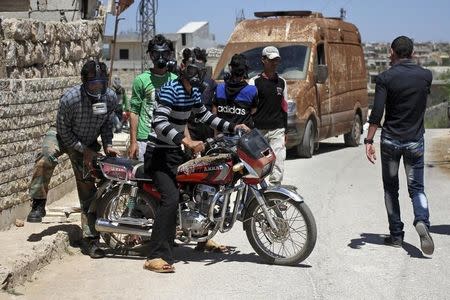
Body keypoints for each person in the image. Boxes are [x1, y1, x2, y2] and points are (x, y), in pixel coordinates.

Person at [142, 51, 249, 273]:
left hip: (175, 152)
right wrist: (186, 142)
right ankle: (156, 255)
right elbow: (159, 123)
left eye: (199, 70)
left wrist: (233, 127)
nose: (196, 74)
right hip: (159, 154)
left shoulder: (193, 94)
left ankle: (202, 236)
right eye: (192, 70)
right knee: (170, 199)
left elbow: (205, 116)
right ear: (183, 70)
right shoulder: (171, 90)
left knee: (201, 187)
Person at [27, 60, 120, 258]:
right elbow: (64, 130)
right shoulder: (70, 99)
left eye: (100, 84)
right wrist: (83, 151)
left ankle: (91, 239)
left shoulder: (110, 98)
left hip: (88, 142)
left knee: (87, 189)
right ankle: (38, 202)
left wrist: (108, 145)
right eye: (92, 85)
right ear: (84, 82)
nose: (97, 89)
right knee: (45, 158)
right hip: (62, 136)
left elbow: (106, 126)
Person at [365, 36, 434, 255]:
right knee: (417, 188)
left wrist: (368, 140)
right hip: (415, 141)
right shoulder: (426, 76)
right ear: (412, 53)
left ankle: (396, 235)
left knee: (390, 189)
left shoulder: (385, 78)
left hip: (390, 142)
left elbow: (377, 113)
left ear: (393, 52)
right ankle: (422, 219)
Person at [128, 34, 178, 161]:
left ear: (170, 55)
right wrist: (134, 142)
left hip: (169, 139)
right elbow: (134, 112)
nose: (161, 58)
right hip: (145, 139)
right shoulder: (141, 80)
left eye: (165, 54)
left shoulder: (176, 81)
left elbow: (180, 112)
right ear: (151, 55)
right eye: (156, 54)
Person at [249, 46, 288, 186]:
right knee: (259, 163)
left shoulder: (282, 82)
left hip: (277, 129)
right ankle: (258, 194)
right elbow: (250, 108)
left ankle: (275, 191)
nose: (274, 63)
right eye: (271, 60)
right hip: (259, 131)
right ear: (263, 60)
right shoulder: (254, 82)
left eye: (276, 60)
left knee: (278, 161)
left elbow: (284, 107)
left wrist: (286, 130)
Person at [212, 53, 258, 143]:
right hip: (243, 139)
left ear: (230, 68)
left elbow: (214, 113)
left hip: (222, 137)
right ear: (245, 70)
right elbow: (253, 114)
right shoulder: (251, 90)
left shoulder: (220, 88)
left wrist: (216, 134)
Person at [186, 47, 217, 142]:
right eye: (194, 70)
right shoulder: (182, 84)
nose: (197, 74)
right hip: (189, 131)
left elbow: (214, 110)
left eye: (201, 70)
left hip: (206, 130)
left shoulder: (211, 83)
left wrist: (215, 134)